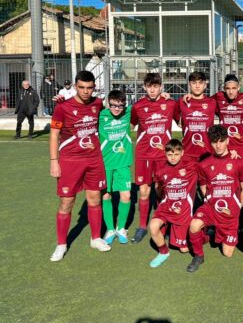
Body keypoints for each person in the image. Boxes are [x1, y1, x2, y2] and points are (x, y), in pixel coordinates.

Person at [49, 70, 110, 261]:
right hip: (70, 161)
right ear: (75, 86)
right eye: (82, 87)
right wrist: (54, 162)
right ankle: (61, 244)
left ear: (94, 88)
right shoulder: (62, 107)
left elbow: (117, 108)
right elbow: (54, 135)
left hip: (94, 160)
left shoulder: (98, 104)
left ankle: (96, 238)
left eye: (89, 88)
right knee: (67, 202)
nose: (86, 91)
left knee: (95, 199)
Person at [186, 125, 243, 272]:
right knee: (194, 224)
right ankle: (198, 256)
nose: (218, 145)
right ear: (210, 142)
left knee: (227, 253)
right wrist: (208, 200)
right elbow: (203, 187)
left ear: (227, 140)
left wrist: (238, 206)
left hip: (230, 211)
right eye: (214, 142)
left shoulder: (238, 162)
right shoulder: (204, 164)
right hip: (211, 207)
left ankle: (214, 234)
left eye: (221, 141)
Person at [130, 73, 177, 244]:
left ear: (161, 87)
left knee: (161, 190)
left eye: (156, 86)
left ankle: (162, 224)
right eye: (149, 86)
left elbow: (182, 117)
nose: (152, 90)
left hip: (162, 156)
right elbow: (131, 124)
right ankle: (142, 226)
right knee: (144, 191)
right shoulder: (138, 106)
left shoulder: (170, 104)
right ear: (144, 87)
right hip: (143, 155)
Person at [148, 139, 199, 268]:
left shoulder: (192, 166)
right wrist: (158, 188)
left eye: (176, 154)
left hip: (183, 209)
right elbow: (159, 192)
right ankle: (163, 252)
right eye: (170, 155)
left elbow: (210, 163)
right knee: (153, 227)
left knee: (184, 249)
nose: (173, 158)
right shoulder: (161, 172)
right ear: (165, 154)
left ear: (182, 153)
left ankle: (204, 234)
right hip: (166, 206)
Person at [99, 89, 133, 245]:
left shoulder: (128, 112)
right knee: (106, 196)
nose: (116, 109)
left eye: (120, 106)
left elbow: (149, 102)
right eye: (113, 105)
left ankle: (121, 228)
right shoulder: (101, 115)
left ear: (124, 105)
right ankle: (110, 228)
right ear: (108, 103)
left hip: (123, 164)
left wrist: (163, 95)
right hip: (105, 164)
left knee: (126, 196)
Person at [174, 72, 216, 162]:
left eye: (200, 83)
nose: (197, 86)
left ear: (205, 85)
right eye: (194, 83)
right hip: (187, 154)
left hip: (207, 153)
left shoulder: (212, 102)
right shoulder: (182, 102)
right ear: (189, 85)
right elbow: (168, 108)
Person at [212, 74, 243, 162]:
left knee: (241, 171)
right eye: (228, 88)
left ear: (238, 88)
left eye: (234, 88)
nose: (231, 92)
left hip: (240, 143)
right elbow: (203, 100)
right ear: (224, 89)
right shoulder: (219, 97)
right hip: (223, 143)